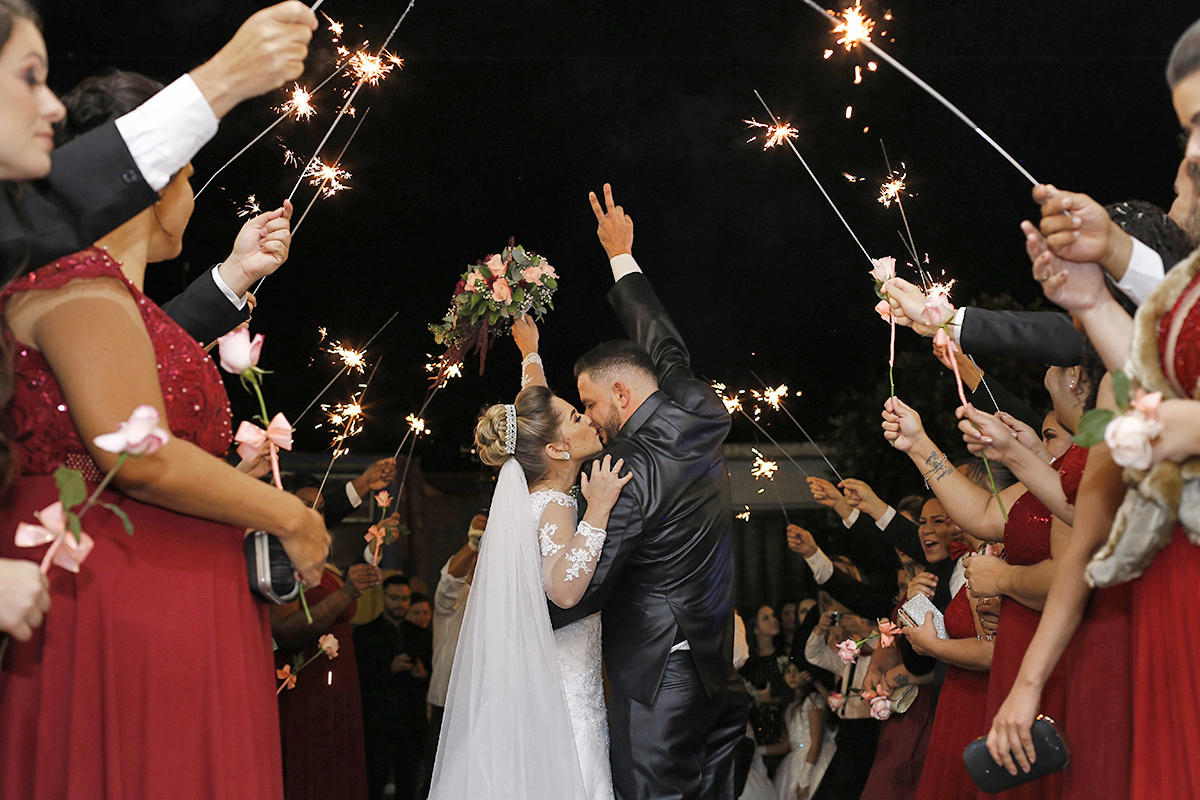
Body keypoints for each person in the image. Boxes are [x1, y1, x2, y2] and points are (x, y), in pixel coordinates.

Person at [0, 34, 329, 800]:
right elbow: (135, 451)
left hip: (171, 584)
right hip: (122, 592)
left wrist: (236, 277)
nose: (193, 193)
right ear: (154, 177)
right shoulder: (77, 286)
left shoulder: (107, 293)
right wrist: (289, 514)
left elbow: (133, 391)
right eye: (188, 175)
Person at [985, 23, 1200, 799]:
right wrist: (1092, 298)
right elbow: (1155, 377)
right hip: (1170, 592)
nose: (1191, 157)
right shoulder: (1174, 307)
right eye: (1186, 131)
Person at [546, 184, 746, 800]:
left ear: (621, 395)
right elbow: (664, 345)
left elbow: (591, 584)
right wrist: (621, 255)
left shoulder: (622, 471)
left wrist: (519, 613)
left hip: (660, 680)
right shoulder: (701, 409)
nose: (590, 418)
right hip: (717, 666)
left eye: (589, 404)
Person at [428, 314, 632, 800]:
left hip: (540, 689)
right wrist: (599, 509)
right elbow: (562, 589)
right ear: (558, 450)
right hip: (563, 701)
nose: (588, 418)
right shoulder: (558, 504)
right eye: (578, 417)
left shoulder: (535, 493)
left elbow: (538, 414)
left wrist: (531, 354)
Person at [272, 562, 382, 800]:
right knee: (312, 759)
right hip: (307, 682)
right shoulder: (281, 560)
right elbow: (285, 632)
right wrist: (347, 593)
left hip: (338, 683)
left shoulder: (324, 561)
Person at [415, 515, 485, 799]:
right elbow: (449, 581)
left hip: (483, 707)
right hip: (447, 706)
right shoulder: (452, 601)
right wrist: (473, 544)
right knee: (438, 778)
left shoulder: (495, 599)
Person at [356, 575, 434, 800]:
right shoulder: (365, 634)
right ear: (384, 597)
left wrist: (423, 673)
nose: (400, 604)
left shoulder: (422, 635)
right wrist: (388, 668)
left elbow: (434, 675)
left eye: (405, 598)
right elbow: (359, 676)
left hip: (412, 722)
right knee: (373, 785)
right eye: (395, 598)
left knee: (408, 787)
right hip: (378, 724)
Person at [771, 663, 835, 800]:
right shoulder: (789, 705)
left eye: (797, 671)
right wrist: (757, 751)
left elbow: (816, 740)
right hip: (795, 760)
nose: (792, 676)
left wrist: (805, 779)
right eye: (788, 671)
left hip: (814, 757)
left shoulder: (812, 700)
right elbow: (786, 744)